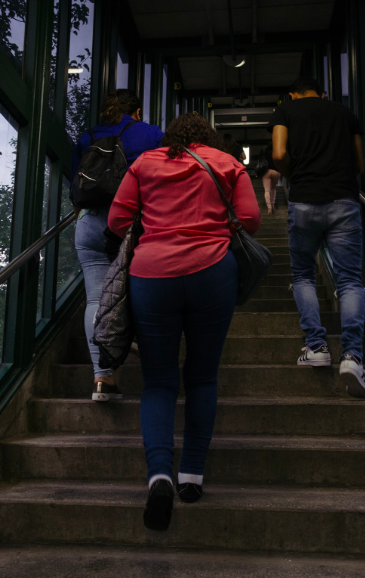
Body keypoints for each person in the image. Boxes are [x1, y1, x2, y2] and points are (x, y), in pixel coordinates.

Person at [108, 113, 260, 531]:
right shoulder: (228, 164)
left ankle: (159, 475)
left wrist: (155, 230)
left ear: (169, 137)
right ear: (208, 137)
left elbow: (117, 221)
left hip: (152, 275)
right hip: (213, 272)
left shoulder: (144, 164)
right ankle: (192, 474)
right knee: (203, 377)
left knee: (158, 380)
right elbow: (250, 220)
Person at [269, 77, 365, 399]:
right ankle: (352, 356)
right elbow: (359, 163)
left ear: (293, 93)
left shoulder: (286, 111)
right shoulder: (345, 113)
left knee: (303, 276)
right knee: (350, 282)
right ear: (323, 93)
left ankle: (317, 346)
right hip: (343, 200)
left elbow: (279, 153)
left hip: (304, 201)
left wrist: (295, 176)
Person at [72, 89, 163, 402]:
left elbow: (76, 183)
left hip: (91, 222)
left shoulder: (89, 136)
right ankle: (156, 372)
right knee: (145, 293)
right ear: (137, 111)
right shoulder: (152, 134)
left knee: (96, 298)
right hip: (135, 225)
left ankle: (102, 379)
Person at [260, 143, 281, 214]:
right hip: (276, 171)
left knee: (267, 190)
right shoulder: (277, 151)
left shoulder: (263, 152)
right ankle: (273, 205)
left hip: (266, 172)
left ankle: (269, 208)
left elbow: (259, 161)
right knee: (273, 188)